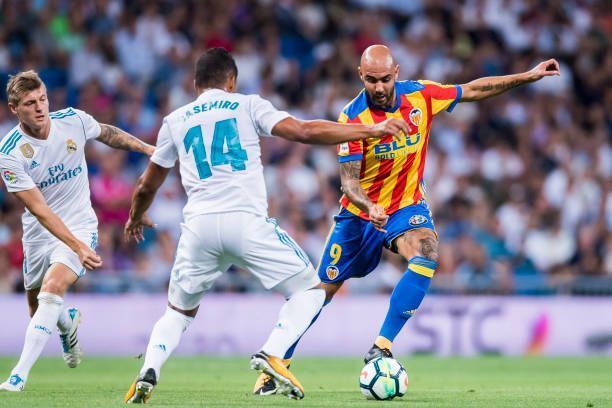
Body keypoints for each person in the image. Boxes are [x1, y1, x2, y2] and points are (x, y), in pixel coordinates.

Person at [253, 44, 560, 394]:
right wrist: (369, 207)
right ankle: (277, 364)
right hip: (359, 215)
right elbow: (349, 182)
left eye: (385, 79)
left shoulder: (421, 97)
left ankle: (382, 345)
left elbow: (473, 89)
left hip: (406, 206)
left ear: (396, 72)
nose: (379, 87)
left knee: (427, 251)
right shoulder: (352, 118)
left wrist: (528, 75)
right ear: (360, 76)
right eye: (371, 80)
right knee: (321, 291)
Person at [122, 47, 408, 403]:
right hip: (245, 223)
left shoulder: (174, 121)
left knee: (178, 311)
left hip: (198, 229)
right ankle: (272, 353)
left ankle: (149, 369)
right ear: (232, 81)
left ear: (196, 84)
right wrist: (371, 129)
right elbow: (303, 131)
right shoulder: (246, 104)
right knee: (312, 290)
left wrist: (135, 216)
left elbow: (146, 185)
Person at [0, 70, 155, 392]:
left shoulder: (72, 119)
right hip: (40, 232)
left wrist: (146, 149)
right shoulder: (10, 152)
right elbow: (39, 210)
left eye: (42, 98)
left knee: (53, 286)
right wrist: (76, 246)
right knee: (37, 307)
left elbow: (107, 133)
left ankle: (18, 376)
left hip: (80, 224)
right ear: (14, 109)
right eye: (30, 103)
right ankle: (68, 323)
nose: (40, 107)